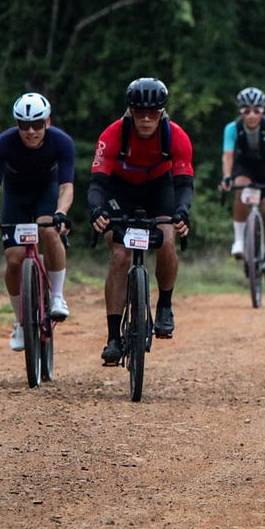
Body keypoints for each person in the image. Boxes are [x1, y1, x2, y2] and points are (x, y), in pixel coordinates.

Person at [87, 78, 193, 365]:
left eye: (153, 113)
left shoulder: (176, 136)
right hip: (120, 190)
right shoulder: (112, 135)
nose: (146, 119)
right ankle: (113, 337)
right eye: (140, 112)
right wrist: (97, 210)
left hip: (158, 187)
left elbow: (184, 183)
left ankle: (165, 306)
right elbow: (97, 183)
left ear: (162, 112)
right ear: (130, 110)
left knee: (167, 239)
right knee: (119, 254)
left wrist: (182, 212)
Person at [0, 92, 76, 349]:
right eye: (24, 125)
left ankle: (57, 297)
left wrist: (61, 213)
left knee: (49, 231)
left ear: (48, 122)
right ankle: (21, 323)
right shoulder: (2, 144)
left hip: (47, 193)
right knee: (13, 260)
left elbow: (67, 187)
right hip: (16, 198)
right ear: (17, 125)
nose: (31, 131)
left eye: (37, 124)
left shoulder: (62, 142)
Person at [219, 87, 265, 286]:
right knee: (240, 188)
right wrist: (227, 177)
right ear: (241, 111)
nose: (252, 115)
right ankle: (238, 239)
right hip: (245, 167)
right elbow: (228, 155)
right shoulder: (232, 128)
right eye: (247, 111)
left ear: (263, 111)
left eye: (257, 110)